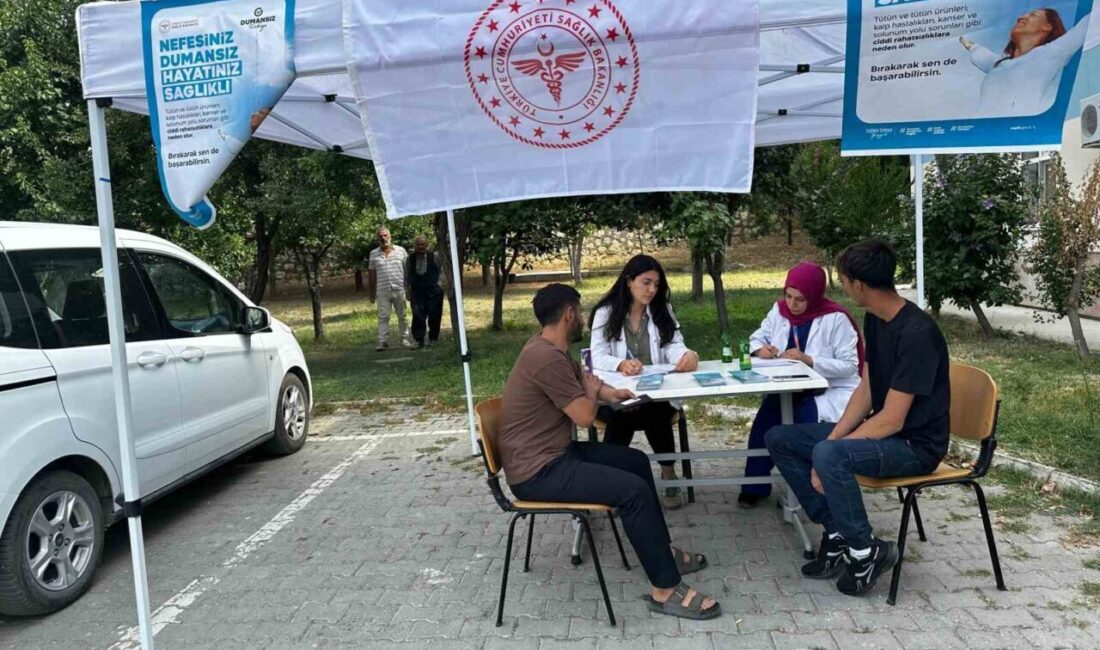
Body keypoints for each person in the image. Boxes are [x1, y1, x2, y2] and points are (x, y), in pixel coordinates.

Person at [497, 283, 720, 620]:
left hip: (555, 455)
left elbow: (586, 381)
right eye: (581, 312)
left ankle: (662, 554)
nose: (584, 319)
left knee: (635, 462)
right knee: (633, 493)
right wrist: (594, 391)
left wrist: (610, 393)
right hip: (537, 473)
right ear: (569, 313)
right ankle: (664, 589)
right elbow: (585, 415)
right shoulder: (544, 358)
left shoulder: (550, 349)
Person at [765, 240, 950, 597]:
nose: (844, 288)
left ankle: (865, 551)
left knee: (829, 453)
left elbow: (893, 420)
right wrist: (833, 437)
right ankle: (837, 532)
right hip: (888, 433)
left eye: (845, 281)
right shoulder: (878, 318)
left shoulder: (917, 334)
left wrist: (829, 447)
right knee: (780, 438)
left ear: (859, 285)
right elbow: (866, 389)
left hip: (915, 446)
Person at [738, 262, 863, 508]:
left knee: (800, 427)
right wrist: (760, 349)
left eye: (800, 299)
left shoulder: (836, 318)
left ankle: (803, 491)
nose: (792, 305)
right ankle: (755, 485)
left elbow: (850, 365)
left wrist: (810, 360)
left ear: (815, 296)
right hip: (787, 387)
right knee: (765, 422)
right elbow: (757, 337)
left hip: (828, 390)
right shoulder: (779, 311)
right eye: (788, 296)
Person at [588, 255, 700, 509]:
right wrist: (620, 364)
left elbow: (672, 344)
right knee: (624, 409)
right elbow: (596, 354)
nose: (652, 290)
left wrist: (685, 356)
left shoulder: (662, 309)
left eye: (656, 284)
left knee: (655, 408)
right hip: (616, 394)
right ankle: (614, 482)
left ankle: (668, 472)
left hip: (655, 394)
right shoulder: (606, 312)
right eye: (646, 282)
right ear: (629, 281)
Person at [959, 8, 1088, 116]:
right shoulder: (999, 64)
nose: (1021, 17)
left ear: (1047, 26)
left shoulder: (1050, 53)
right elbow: (983, 55)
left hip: (1015, 132)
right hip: (985, 132)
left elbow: (1085, 26)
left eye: (1033, 15)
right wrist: (968, 44)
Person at [368, 227, 411, 351]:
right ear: (377, 238)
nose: (383, 238)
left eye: (385, 235)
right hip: (382, 290)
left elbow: (407, 271)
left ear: (390, 236)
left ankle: (405, 338)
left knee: (402, 315)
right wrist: (371, 292)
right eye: (380, 236)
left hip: (399, 288)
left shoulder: (401, 251)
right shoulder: (373, 254)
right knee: (383, 316)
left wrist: (408, 288)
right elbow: (372, 274)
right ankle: (383, 341)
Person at [406, 235, 444, 349]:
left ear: (426, 245)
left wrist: (439, 284)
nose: (420, 247)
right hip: (417, 292)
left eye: (422, 244)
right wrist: (407, 290)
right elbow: (406, 276)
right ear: (415, 246)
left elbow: (441, 271)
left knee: (434, 316)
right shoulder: (409, 259)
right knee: (418, 316)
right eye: (418, 244)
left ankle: (433, 339)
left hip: (433, 292)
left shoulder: (434, 256)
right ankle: (419, 340)